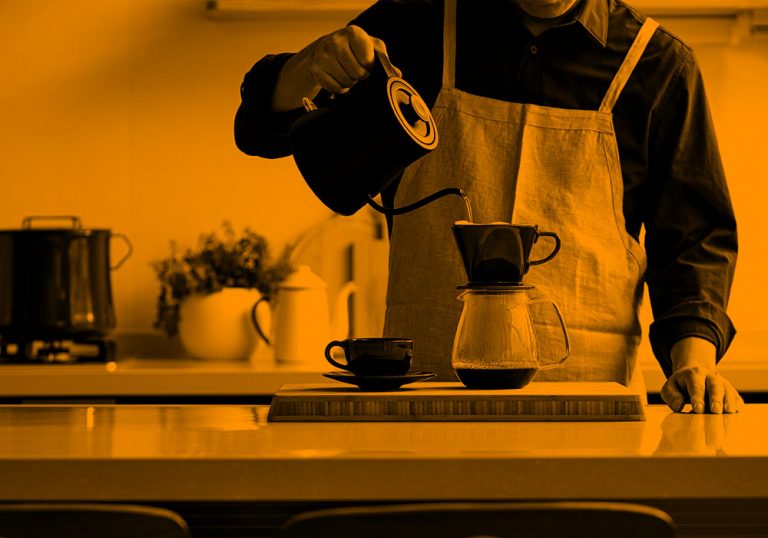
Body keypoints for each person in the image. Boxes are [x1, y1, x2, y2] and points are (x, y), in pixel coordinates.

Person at [235, 0, 743, 414]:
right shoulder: (415, 26)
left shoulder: (657, 65)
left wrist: (692, 362)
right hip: (421, 404)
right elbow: (260, 130)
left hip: (586, 404)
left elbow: (693, 237)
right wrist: (304, 71)